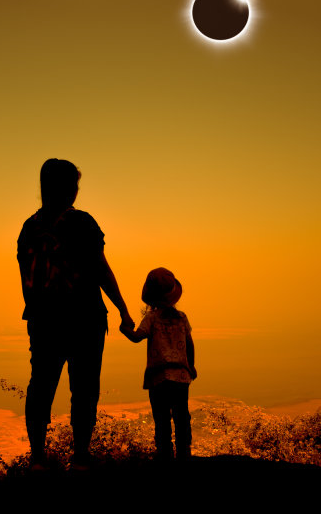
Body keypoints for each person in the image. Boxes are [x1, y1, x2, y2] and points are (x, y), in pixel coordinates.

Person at [17, 158, 134, 470]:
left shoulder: (29, 228)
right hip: (85, 318)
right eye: (75, 184)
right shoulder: (82, 222)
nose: (77, 191)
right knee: (84, 389)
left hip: (42, 321)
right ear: (67, 187)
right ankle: (80, 457)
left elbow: (26, 280)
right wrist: (123, 309)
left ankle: (38, 459)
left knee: (41, 386)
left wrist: (38, 312)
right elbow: (100, 269)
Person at [120, 267, 197, 463]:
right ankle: (184, 451)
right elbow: (190, 344)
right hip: (181, 376)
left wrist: (125, 329)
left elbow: (137, 337)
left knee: (161, 416)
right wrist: (192, 366)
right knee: (181, 415)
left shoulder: (151, 319)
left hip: (158, 377)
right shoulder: (182, 318)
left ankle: (164, 452)